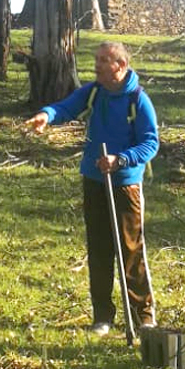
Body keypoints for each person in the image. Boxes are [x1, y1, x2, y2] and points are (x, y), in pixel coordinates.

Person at [25, 41, 159, 336]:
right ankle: (103, 317)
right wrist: (46, 115)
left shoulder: (138, 100)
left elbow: (151, 143)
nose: (96, 65)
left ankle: (143, 317)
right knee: (98, 250)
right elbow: (66, 107)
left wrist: (121, 159)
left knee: (131, 250)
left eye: (103, 61)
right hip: (94, 180)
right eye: (96, 60)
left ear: (120, 66)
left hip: (125, 185)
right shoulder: (94, 92)